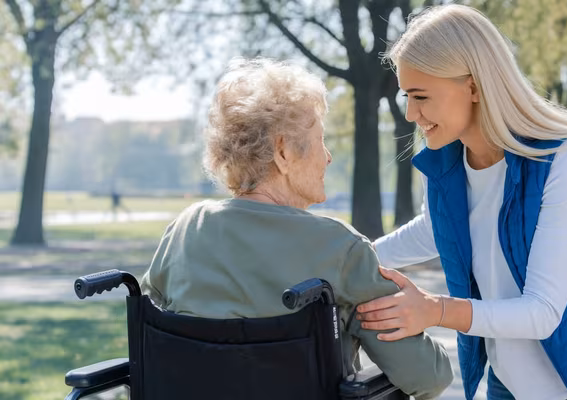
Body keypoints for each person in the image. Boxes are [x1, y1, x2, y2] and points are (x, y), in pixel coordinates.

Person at [355, 5, 567, 400]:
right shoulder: (446, 160)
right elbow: (436, 228)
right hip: (510, 377)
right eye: (406, 96)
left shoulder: (564, 158)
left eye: (421, 96)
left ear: (474, 87)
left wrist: (436, 310)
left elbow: (542, 311)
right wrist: (351, 258)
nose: (411, 113)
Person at [140, 57, 453, 399]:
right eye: (320, 140)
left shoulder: (185, 231)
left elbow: (153, 332)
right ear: (283, 152)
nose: (328, 157)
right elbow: (428, 377)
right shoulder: (339, 249)